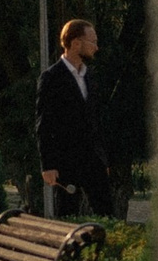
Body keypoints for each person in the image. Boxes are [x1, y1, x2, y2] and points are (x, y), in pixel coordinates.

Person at [36, 18, 113, 218]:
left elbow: (98, 120)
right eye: (92, 42)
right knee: (66, 216)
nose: (96, 47)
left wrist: (103, 159)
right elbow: (44, 123)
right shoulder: (52, 78)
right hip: (65, 163)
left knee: (106, 215)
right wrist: (48, 165)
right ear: (76, 43)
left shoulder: (91, 77)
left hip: (93, 161)